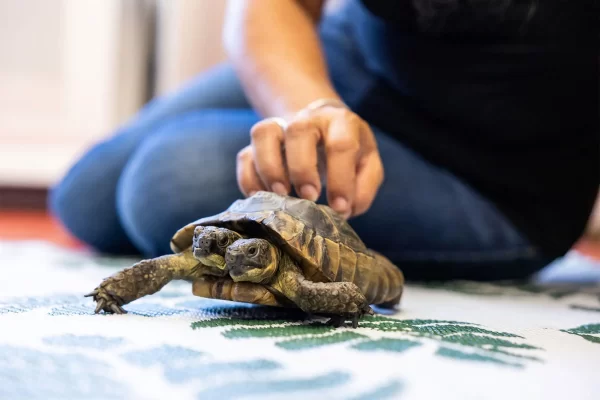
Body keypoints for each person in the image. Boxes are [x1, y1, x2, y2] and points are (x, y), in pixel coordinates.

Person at [49, 0, 599, 281]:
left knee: (164, 182)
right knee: (85, 196)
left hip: (491, 173)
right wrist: (308, 106)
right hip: (354, 59)